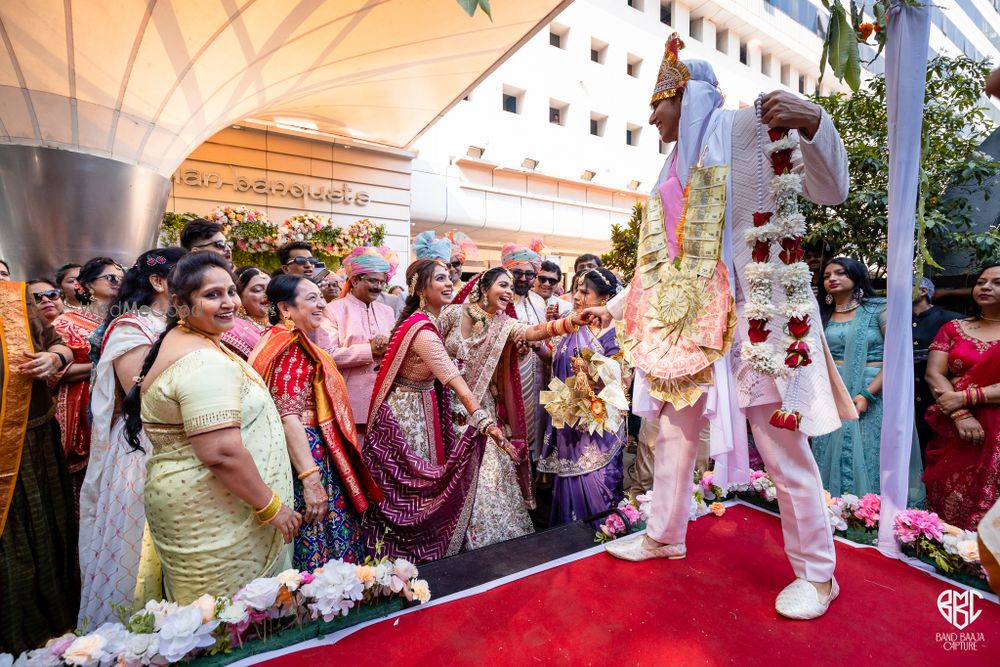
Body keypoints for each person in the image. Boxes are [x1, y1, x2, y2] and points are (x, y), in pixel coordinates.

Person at [588, 34, 855, 620]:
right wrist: (607, 312)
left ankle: (818, 575)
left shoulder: (745, 129)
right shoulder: (669, 167)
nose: (652, 118)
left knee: (782, 449)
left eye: (656, 104)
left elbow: (831, 190)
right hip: (687, 327)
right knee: (674, 437)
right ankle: (664, 534)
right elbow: (662, 262)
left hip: (757, 321)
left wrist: (816, 121)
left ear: (682, 95)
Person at [125, 252, 299, 604]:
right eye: (212, 295)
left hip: (209, 505)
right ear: (180, 303)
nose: (229, 303)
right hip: (218, 515)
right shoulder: (201, 360)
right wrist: (272, 508)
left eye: (231, 291)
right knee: (228, 620)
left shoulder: (189, 340)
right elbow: (220, 452)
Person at [361, 259, 511, 562]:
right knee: (414, 490)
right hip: (410, 416)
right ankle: (405, 558)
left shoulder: (429, 320)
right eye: (439, 279)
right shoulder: (423, 330)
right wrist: (484, 422)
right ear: (419, 288)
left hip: (422, 404)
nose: (448, 284)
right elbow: (454, 380)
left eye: (448, 278)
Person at [442, 268, 588, 549]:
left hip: (482, 409)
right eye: (502, 285)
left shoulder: (505, 323)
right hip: (444, 407)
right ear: (484, 287)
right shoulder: (452, 314)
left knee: (488, 474)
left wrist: (570, 322)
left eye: (511, 287)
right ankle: (446, 534)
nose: (508, 292)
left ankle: (485, 538)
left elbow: (535, 331)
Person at [78, 248, 184, 625]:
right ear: (158, 282)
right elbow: (141, 396)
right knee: (143, 552)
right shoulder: (132, 327)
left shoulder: (178, 324)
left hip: (188, 442)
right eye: (187, 276)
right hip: (146, 447)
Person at [252, 275, 382, 570]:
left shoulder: (276, 340)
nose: (323, 303)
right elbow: (289, 418)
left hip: (302, 451)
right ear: (285, 309)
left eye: (320, 297)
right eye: (312, 298)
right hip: (307, 454)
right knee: (319, 531)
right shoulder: (290, 349)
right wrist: (311, 480)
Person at [0, 280, 77, 654]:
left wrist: (54, 358)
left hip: (32, 444)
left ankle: (53, 634)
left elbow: (57, 343)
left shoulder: (13, 301)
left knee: (45, 533)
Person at [540, 268, 626, 525]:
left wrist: (590, 376)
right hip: (569, 421)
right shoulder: (571, 321)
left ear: (604, 300)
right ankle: (570, 540)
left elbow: (621, 380)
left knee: (597, 480)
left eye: (584, 292)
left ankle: (604, 532)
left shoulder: (616, 330)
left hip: (598, 422)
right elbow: (554, 358)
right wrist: (538, 348)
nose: (576, 296)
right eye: (576, 289)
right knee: (568, 481)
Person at [923, 264, 1000, 530]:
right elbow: (934, 374)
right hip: (956, 428)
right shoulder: (953, 328)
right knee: (949, 496)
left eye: (997, 283)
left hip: (997, 428)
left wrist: (965, 397)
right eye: (981, 282)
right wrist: (960, 414)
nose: (986, 287)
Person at [322, 247, 397, 429]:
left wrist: (390, 346)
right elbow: (326, 356)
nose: (378, 287)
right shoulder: (332, 310)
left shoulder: (387, 311)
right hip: (350, 401)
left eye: (382, 282)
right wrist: (369, 350)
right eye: (372, 281)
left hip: (387, 400)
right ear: (355, 280)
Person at [50, 274, 104, 514]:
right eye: (111, 277)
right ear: (87, 286)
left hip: (110, 410)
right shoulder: (65, 323)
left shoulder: (126, 318)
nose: (118, 282)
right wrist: (105, 365)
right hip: (75, 410)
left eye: (122, 277)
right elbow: (53, 374)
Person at [503, 244, 550, 461]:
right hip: (509, 377)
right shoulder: (500, 301)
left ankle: (533, 475)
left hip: (538, 375)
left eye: (530, 274)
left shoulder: (539, 301)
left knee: (537, 426)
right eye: (517, 273)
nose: (523, 279)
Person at [912, 276, 963, 459]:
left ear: (923, 291)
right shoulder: (893, 320)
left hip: (937, 394)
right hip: (906, 396)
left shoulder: (952, 320)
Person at [221, 266, 270, 360]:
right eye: (258, 290)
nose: (267, 294)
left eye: (270, 288)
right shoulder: (233, 329)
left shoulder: (287, 321)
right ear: (239, 295)